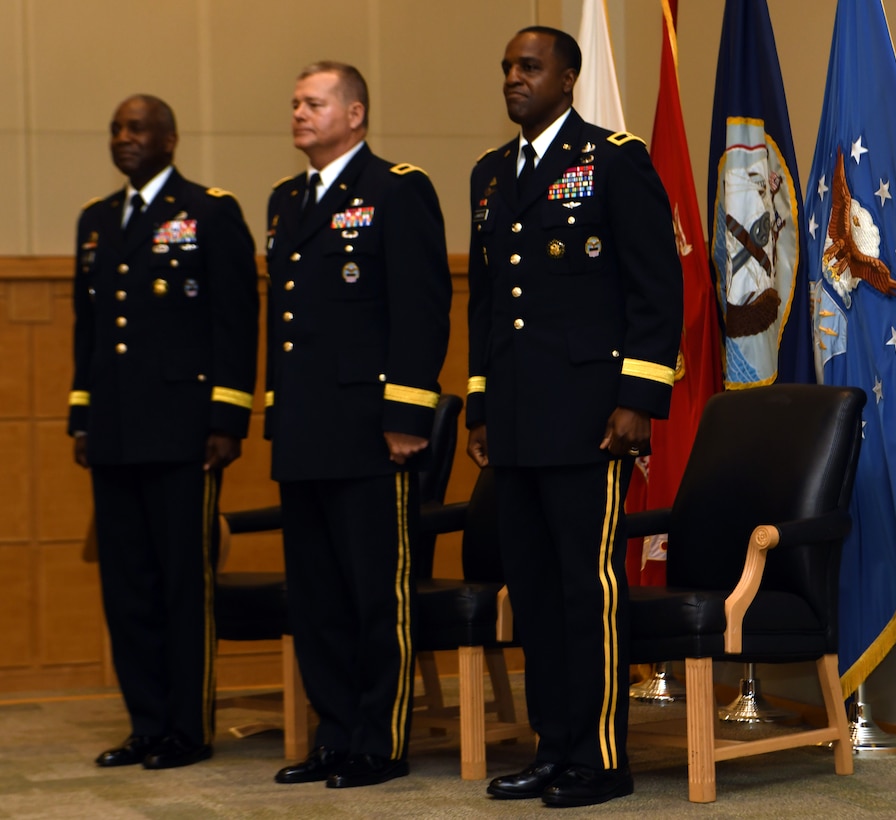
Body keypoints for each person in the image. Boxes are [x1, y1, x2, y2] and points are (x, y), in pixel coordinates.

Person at [465, 27, 683, 808]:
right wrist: (480, 407)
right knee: (533, 592)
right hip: (518, 423)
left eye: (529, 66)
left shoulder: (612, 159)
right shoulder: (492, 175)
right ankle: (551, 750)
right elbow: (488, 307)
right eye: (507, 67)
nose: (514, 78)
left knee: (585, 592)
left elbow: (656, 291)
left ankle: (600, 760)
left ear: (569, 76)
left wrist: (638, 402)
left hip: (591, 420)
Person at [265, 61, 451, 789]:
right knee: (316, 598)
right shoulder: (286, 200)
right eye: (296, 104)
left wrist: (408, 412)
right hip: (305, 427)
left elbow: (421, 307)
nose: (300, 113)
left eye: (314, 103)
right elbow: (285, 328)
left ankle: (378, 740)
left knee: (376, 592)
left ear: (355, 114)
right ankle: (333, 735)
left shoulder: (396, 189)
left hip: (373, 428)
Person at [68, 95, 259, 769]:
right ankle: (146, 724)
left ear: (170, 138)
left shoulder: (208, 211)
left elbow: (235, 323)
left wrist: (227, 418)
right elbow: (89, 332)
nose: (124, 137)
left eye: (137, 127)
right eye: (117, 127)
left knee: (184, 583)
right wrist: (82, 416)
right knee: (128, 587)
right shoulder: (97, 220)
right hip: (115, 434)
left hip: (185, 435)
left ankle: (187, 729)